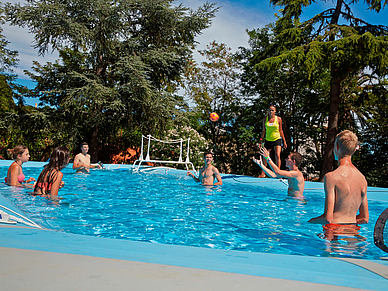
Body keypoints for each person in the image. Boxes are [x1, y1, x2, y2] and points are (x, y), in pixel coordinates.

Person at [309, 130, 369, 225]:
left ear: (336, 148)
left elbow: (328, 218)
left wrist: (310, 222)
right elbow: (364, 218)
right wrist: (347, 225)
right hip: (353, 231)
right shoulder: (362, 179)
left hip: (333, 231)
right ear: (354, 150)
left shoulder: (331, 177)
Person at [259, 104, 287, 170]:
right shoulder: (265, 119)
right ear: (268, 111)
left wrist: (284, 141)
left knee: (277, 155)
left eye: (272, 110)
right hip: (268, 140)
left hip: (277, 139)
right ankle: (263, 172)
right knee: (265, 156)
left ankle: (278, 172)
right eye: (269, 110)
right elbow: (263, 130)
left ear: (275, 111)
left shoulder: (279, 119)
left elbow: (281, 130)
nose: (271, 111)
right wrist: (260, 140)